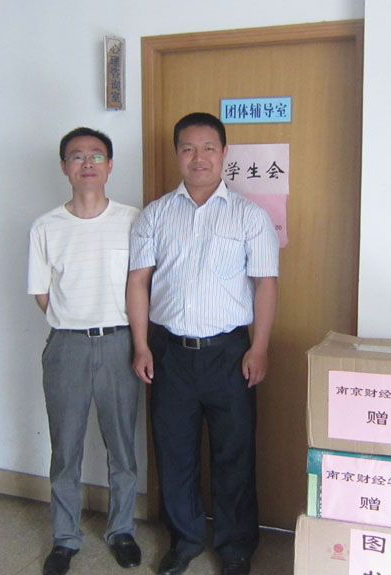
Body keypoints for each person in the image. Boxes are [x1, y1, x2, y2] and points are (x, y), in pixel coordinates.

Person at [126, 112, 280, 575]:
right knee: (174, 453)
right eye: (188, 148)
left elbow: (266, 285)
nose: (199, 157)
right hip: (169, 353)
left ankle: (235, 547)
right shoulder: (155, 215)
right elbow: (138, 283)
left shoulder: (249, 216)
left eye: (209, 147)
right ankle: (185, 540)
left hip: (230, 354)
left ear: (224, 153)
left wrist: (259, 347)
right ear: (177, 154)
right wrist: (141, 345)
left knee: (234, 454)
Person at [28, 127, 143, 575]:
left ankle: (121, 530)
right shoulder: (46, 227)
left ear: (110, 165)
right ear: (64, 167)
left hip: (120, 344)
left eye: (97, 155)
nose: (87, 163)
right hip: (67, 347)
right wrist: (74, 321)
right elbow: (42, 294)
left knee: (122, 446)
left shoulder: (134, 220)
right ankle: (65, 537)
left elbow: (143, 285)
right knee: (66, 448)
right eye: (77, 156)